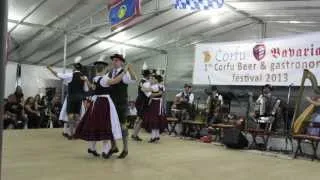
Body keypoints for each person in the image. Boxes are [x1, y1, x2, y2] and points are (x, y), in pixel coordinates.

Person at [75, 59, 127, 159]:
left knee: (94, 124)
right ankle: (105, 151)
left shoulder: (95, 78)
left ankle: (92, 148)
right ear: (104, 69)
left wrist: (86, 80)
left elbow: (93, 88)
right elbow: (116, 81)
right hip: (104, 103)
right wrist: (124, 71)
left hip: (96, 102)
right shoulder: (103, 79)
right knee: (105, 125)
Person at [47, 56, 89, 139]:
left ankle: (70, 133)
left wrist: (49, 68)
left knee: (70, 115)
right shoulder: (84, 77)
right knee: (77, 115)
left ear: (74, 68)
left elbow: (58, 75)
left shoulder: (70, 75)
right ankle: (76, 133)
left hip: (71, 97)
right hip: (79, 97)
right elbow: (86, 89)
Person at [107, 54, 137, 159]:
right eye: (113, 60)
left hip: (121, 103)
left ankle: (125, 149)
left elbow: (134, 79)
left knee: (123, 126)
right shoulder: (110, 73)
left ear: (121, 62)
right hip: (111, 103)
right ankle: (113, 146)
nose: (114, 62)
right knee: (109, 125)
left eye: (116, 60)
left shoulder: (124, 74)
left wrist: (130, 69)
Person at [143, 74, 167, 143]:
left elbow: (146, 90)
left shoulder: (154, 86)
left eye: (153, 79)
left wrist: (142, 86)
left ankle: (153, 137)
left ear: (157, 80)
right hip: (159, 103)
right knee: (158, 119)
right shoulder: (162, 86)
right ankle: (157, 136)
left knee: (153, 119)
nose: (152, 80)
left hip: (155, 103)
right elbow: (161, 93)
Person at [131, 69, 152, 141]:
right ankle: (134, 135)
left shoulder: (142, 81)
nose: (151, 76)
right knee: (141, 119)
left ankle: (134, 134)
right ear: (148, 75)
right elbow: (148, 94)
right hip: (142, 102)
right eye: (150, 75)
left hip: (139, 101)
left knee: (138, 118)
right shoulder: (146, 83)